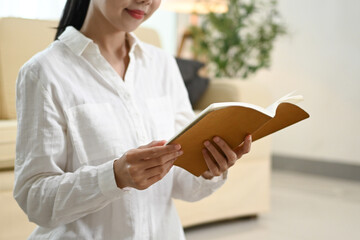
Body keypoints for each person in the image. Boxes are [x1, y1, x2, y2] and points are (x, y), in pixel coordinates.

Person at [13, 0, 252, 239]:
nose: (146, 0)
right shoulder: (44, 72)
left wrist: (208, 168)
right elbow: (35, 200)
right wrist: (114, 177)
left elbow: (181, 185)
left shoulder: (162, 65)